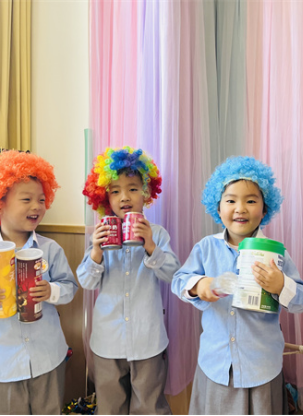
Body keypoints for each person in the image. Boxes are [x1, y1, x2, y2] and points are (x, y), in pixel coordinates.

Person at [172, 156, 303, 415]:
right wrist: (199, 285)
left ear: (265, 209)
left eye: (251, 201)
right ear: (218, 207)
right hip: (215, 364)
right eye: (231, 200)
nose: (240, 208)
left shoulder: (277, 254)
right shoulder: (206, 248)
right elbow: (179, 281)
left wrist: (281, 285)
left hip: (261, 367)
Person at [0, 151, 78, 415]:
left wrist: (51, 291)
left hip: (48, 359)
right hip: (2, 366)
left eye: (41, 199)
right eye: (26, 199)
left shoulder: (50, 249)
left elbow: (70, 288)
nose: (37, 206)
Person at [78, 147, 180, 415]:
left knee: (150, 406)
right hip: (107, 341)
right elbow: (86, 282)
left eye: (133, 189)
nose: (124, 197)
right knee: (109, 407)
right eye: (115, 191)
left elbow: (173, 275)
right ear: (105, 198)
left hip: (148, 339)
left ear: (146, 193)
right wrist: (96, 251)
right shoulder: (101, 234)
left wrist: (150, 246)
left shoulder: (157, 233)